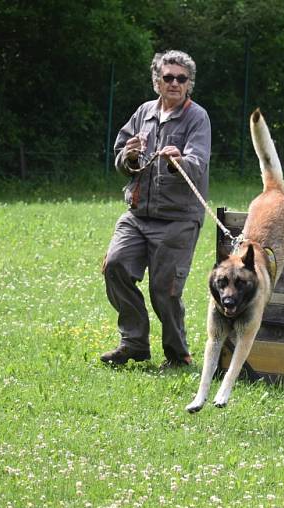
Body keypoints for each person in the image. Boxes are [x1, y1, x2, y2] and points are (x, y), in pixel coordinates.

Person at [101, 50, 211, 369]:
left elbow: (197, 163)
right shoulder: (143, 113)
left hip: (178, 219)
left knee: (165, 290)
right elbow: (121, 156)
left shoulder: (197, 117)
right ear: (156, 82)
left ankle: (178, 356)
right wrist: (131, 156)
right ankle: (134, 342)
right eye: (168, 77)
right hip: (137, 215)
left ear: (189, 84)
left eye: (182, 79)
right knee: (115, 266)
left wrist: (178, 160)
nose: (175, 83)